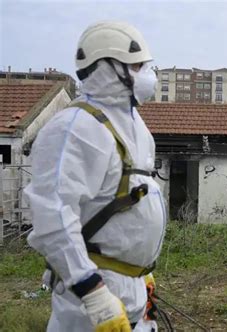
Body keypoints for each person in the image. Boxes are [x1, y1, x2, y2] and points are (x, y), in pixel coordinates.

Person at [25, 21, 167, 332]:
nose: (148, 76)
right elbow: (54, 218)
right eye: (139, 65)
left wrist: (142, 273)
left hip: (132, 289)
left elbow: (129, 203)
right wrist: (91, 291)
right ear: (108, 67)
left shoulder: (135, 127)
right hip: (92, 297)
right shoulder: (72, 129)